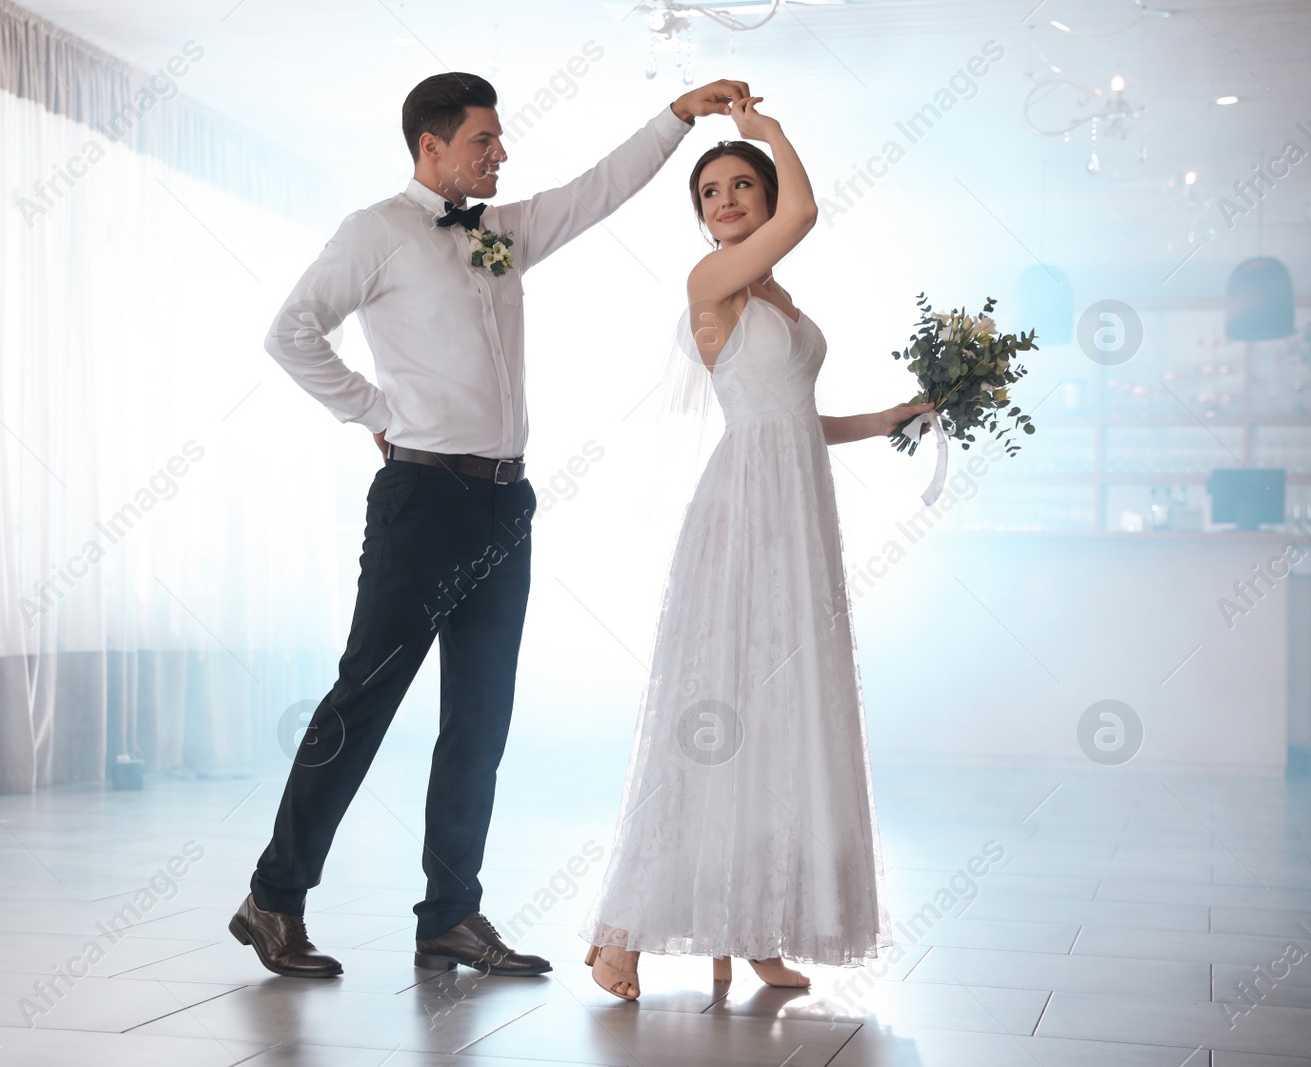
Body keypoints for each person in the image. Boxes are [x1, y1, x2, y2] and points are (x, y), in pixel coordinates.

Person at [234, 71, 753, 979]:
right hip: (422, 502)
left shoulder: (499, 234)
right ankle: (274, 899)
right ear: (430, 147)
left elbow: (598, 190)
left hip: (505, 504)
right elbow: (292, 332)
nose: (501, 154)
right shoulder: (377, 231)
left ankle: (450, 915)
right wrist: (374, 413)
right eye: (484, 140)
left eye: (500, 140)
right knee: (362, 704)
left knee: (480, 719)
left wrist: (677, 118)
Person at [579, 94, 929, 999]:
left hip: (797, 517)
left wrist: (896, 415)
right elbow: (806, 213)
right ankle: (621, 931)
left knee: (782, 719)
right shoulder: (713, 287)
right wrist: (769, 131)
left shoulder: (775, 294)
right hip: (742, 520)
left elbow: (797, 422)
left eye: (742, 185)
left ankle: (761, 920)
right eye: (710, 191)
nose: (726, 199)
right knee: (717, 716)